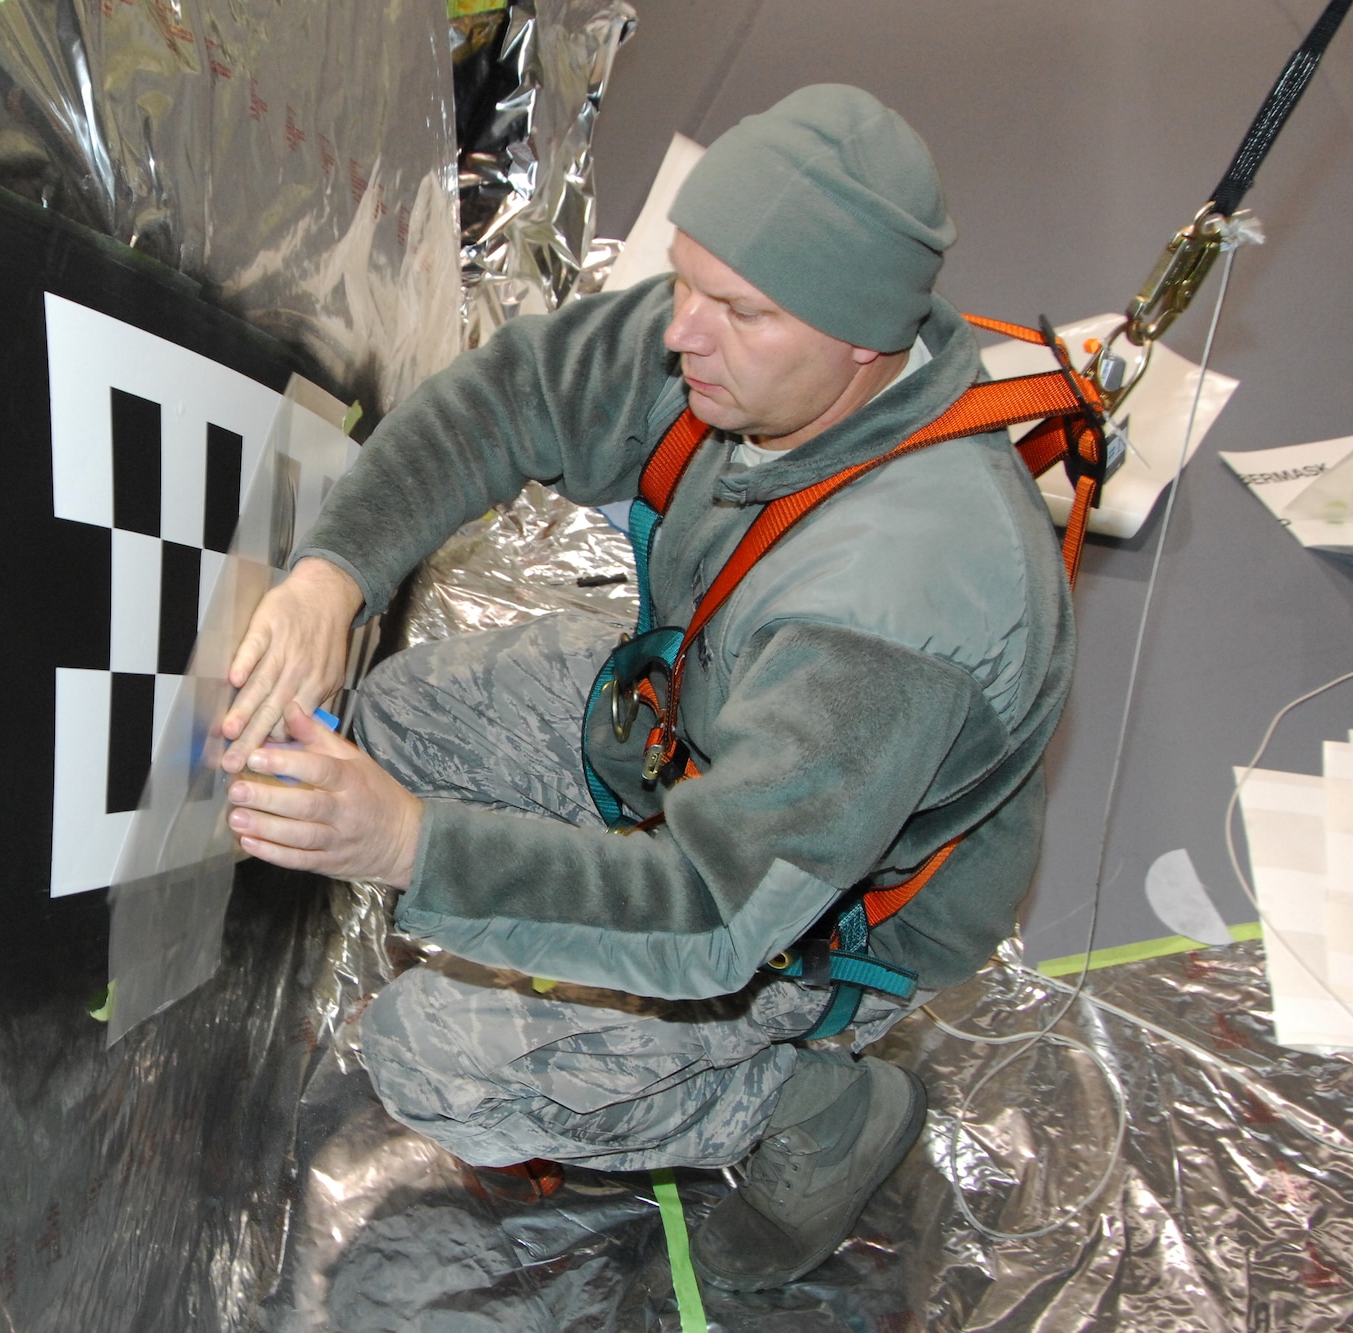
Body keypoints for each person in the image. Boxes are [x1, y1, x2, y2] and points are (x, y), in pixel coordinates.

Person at [216, 84, 1073, 1291]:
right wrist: (333, 572)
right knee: (401, 715)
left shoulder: (901, 602)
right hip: (697, 724)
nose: (681, 333)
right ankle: (559, 937)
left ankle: (808, 1104)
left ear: (862, 341)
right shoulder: (747, 356)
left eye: (736, 310)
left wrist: (414, 849)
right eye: (684, 281)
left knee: (430, 1059)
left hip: (818, 916)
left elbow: (719, 914)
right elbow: (509, 396)